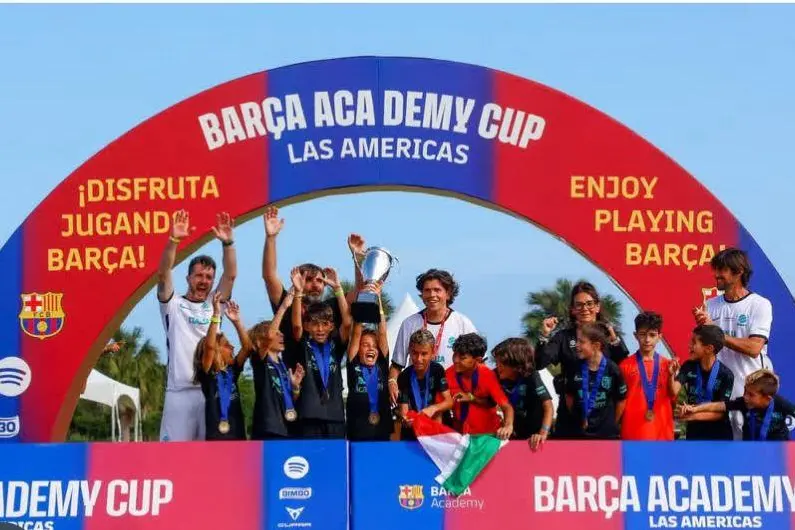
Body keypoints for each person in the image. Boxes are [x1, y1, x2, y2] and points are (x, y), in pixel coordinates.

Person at [157, 209, 237, 442]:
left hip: (211, 392)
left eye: (209, 277)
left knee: (210, 459)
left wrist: (228, 244)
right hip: (179, 394)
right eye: (199, 276)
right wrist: (173, 241)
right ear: (188, 278)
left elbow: (230, 276)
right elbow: (163, 275)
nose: (204, 281)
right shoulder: (172, 304)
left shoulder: (215, 304)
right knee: (173, 459)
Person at [693, 248, 774, 439]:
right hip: (718, 393)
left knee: (747, 458)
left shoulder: (759, 304)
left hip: (749, 394)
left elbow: (754, 348)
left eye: (722, 270)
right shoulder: (711, 305)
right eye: (716, 269)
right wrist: (703, 333)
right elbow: (707, 350)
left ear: (738, 272)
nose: (716, 275)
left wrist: (715, 332)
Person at [535, 281, 629, 438]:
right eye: (579, 305)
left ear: (598, 307)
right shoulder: (563, 337)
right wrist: (544, 335)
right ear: (572, 310)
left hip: (603, 423)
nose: (585, 309)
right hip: (570, 420)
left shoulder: (607, 335)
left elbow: (623, 366)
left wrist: (614, 339)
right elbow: (540, 363)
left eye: (589, 304)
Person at [261, 207, 360, 350]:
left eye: (320, 281)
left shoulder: (331, 307)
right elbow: (269, 276)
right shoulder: (286, 302)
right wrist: (270, 238)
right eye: (308, 280)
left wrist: (357, 258)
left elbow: (360, 291)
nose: (315, 284)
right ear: (296, 281)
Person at [389, 269, 477, 405]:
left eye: (437, 290)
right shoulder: (409, 323)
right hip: (418, 399)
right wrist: (392, 382)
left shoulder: (462, 323)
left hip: (453, 399)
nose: (432, 295)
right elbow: (396, 365)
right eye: (427, 290)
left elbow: (478, 364)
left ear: (448, 294)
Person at [287, 266, 352, 438]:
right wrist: (298, 292)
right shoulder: (303, 345)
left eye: (324, 324)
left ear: (331, 326)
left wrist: (338, 288)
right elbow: (295, 326)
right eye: (315, 324)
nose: (320, 329)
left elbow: (347, 324)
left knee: (334, 463)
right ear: (307, 326)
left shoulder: (335, 345)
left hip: (336, 416)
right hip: (308, 416)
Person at [243, 289, 305, 440]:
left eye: (280, 332)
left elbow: (291, 399)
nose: (281, 334)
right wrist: (284, 306)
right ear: (261, 340)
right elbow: (269, 335)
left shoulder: (283, 367)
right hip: (268, 429)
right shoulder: (260, 360)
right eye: (277, 333)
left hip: (288, 428)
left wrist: (295, 387)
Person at [193, 294, 248, 441]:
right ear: (217, 350)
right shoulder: (208, 372)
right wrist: (216, 314)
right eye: (227, 345)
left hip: (238, 434)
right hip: (216, 436)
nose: (232, 346)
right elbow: (209, 347)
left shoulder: (233, 371)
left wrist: (237, 322)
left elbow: (247, 348)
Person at [683, 369, 794, 441]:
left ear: (767, 398)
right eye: (745, 391)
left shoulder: (781, 404)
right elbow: (719, 406)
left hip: (778, 452)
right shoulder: (744, 403)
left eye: (751, 394)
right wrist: (695, 409)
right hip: (749, 452)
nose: (745, 397)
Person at [619, 312, 678, 441]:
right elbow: (619, 401)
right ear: (635, 335)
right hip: (632, 435)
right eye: (642, 334)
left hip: (662, 436)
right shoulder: (625, 366)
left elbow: (673, 399)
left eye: (652, 335)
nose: (647, 340)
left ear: (659, 337)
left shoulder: (668, 365)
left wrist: (671, 376)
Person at [345, 285, 393, 441]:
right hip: (357, 427)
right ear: (358, 350)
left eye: (374, 346)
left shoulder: (382, 364)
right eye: (365, 345)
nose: (371, 348)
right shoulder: (354, 363)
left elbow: (382, 332)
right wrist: (363, 300)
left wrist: (377, 298)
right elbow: (356, 333)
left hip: (382, 426)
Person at [564, 323, 627, 440]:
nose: (576, 345)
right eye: (577, 341)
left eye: (581, 342)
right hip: (580, 434)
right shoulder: (574, 368)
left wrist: (611, 422)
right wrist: (579, 416)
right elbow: (569, 396)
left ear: (596, 346)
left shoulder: (613, 369)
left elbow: (621, 400)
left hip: (606, 435)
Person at [446, 333, 514, 440]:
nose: (456, 360)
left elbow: (506, 407)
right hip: (461, 439)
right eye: (455, 355)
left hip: (488, 437)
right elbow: (440, 407)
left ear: (477, 360)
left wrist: (508, 426)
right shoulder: (448, 374)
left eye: (462, 358)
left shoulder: (487, 375)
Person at [673, 325, 735, 440]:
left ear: (709, 349)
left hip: (719, 437)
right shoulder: (688, 366)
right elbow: (673, 391)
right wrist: (671, 374)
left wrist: (691, 416)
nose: (689, 346)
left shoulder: (726, 374)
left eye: (694, 342)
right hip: (694, 434)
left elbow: (721, 412)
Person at [492, 338, 553, 451]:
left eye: (502, 363)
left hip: (533, 437)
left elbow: (548, 406)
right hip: (511, 436)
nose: (497, 366)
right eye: (496, 362)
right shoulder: (494, 375)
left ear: (516, 364)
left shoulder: (531, 376)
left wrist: (543, 434)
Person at [397, 329, 454, 441]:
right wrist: (406, 419)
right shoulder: (404, 375)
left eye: (424, 354)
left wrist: (433, 408)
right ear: (409, 351)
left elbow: (449, 402)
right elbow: (404, 410)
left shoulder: (437, 370)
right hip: (413, 433)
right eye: (415, 353)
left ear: (433, 353)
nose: (419, 359)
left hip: (435, 432)